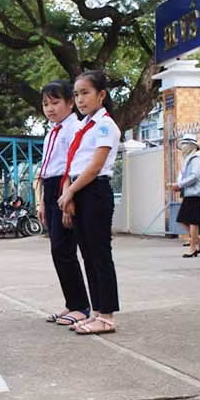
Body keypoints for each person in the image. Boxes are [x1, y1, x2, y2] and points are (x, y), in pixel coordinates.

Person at [56, 70, 120, 336]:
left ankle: (107, 316)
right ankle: (97, 311)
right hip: (80, 190)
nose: (80, 100)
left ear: (101, 95)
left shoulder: (105, 126)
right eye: (77, 94)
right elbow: (73, 163)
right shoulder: (84, 126)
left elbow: (94, 167)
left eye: (85, 93)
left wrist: (70, 192)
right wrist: (69, 192)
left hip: (95, 191)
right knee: (88, 255)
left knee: (100, 255)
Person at [35, 80, 89, 327]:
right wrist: (42, 203)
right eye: (46, 104)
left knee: (64, 249)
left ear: (70, 103)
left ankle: (80, 306)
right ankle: (71, 302)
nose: (50, 108)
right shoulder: (52, 131)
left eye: (55, 102)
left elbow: (72, 167)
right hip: (50, 187)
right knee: (57, 250)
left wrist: (68, 199)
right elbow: (46, 168)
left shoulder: (74, 128)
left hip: (65, 187)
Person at [171, 134, 200, 258]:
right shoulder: (189, 159)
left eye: (185, 145)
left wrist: (180, 185)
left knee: (192, 221)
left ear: (191, 146)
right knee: (183, 219)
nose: (183, 148)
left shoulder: (196, 158)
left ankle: (193, 247)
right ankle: (198, 240)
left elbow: (194, 176)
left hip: (195, 193)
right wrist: (180, 186)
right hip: (189, 193)